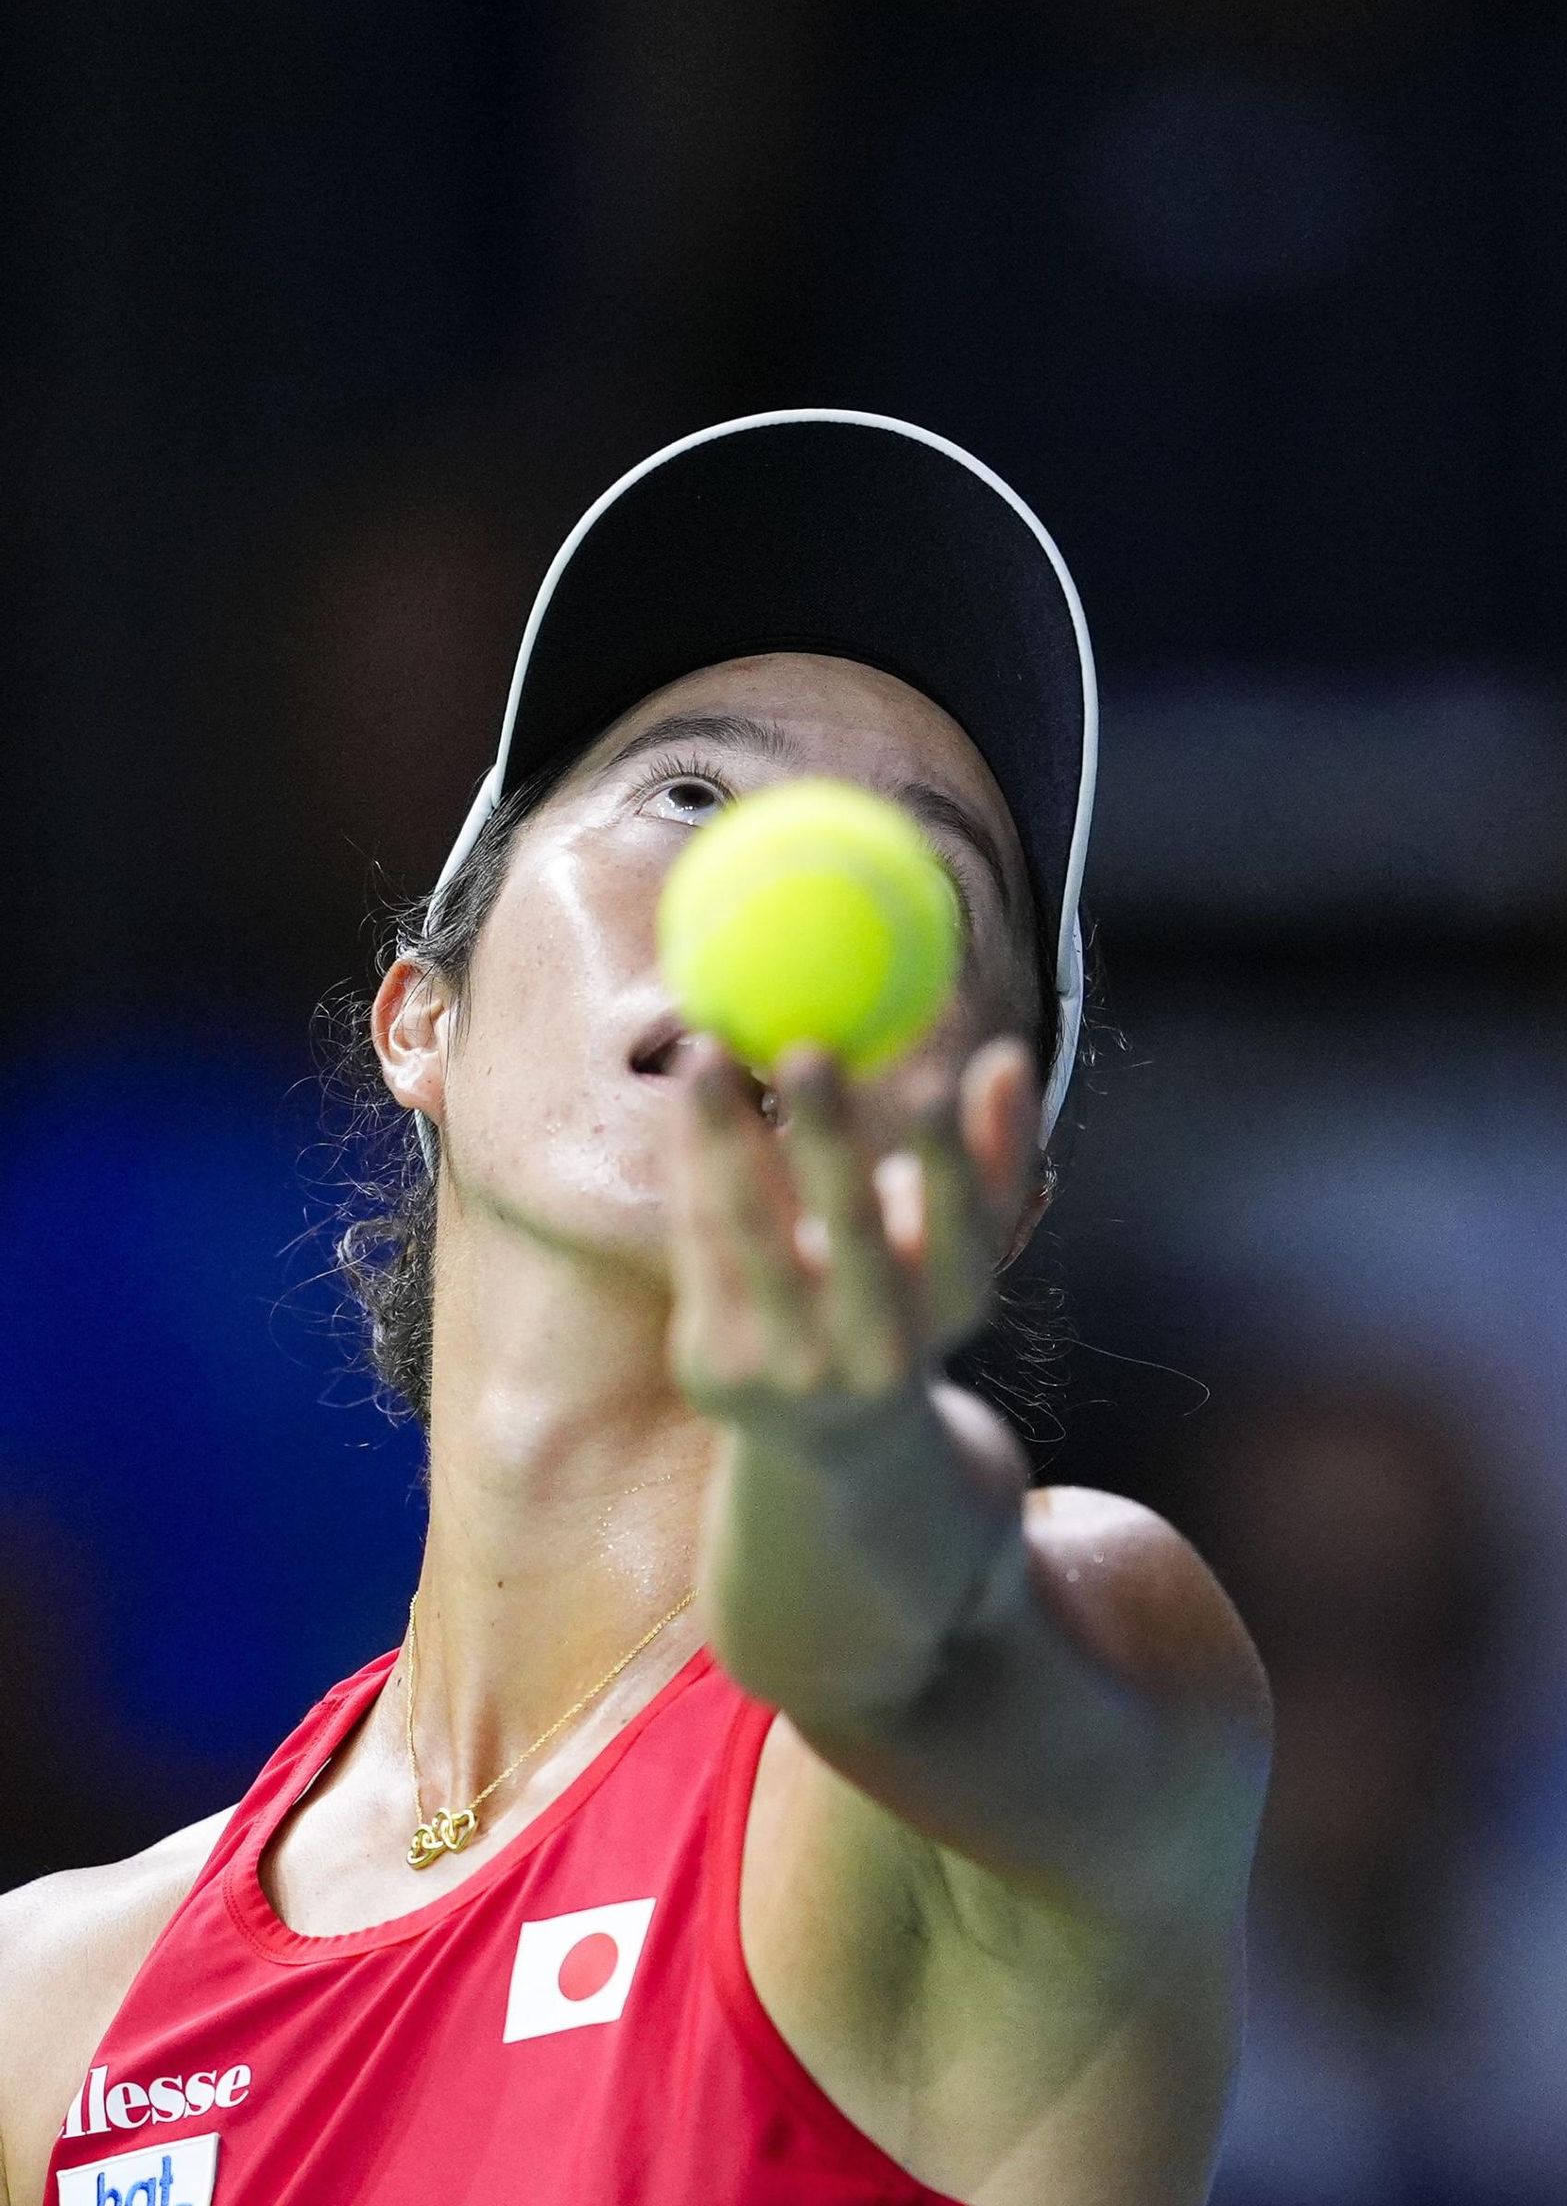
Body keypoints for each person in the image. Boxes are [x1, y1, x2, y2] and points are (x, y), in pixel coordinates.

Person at [0, 412, 1271, 2206]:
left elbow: (889, 1640)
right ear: (419, 1018)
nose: (790, 905)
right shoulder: (53, 2018)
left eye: (917, 886)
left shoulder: (1094, 1663)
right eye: (691, 794)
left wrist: (829, 1450)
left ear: (997, 1198)